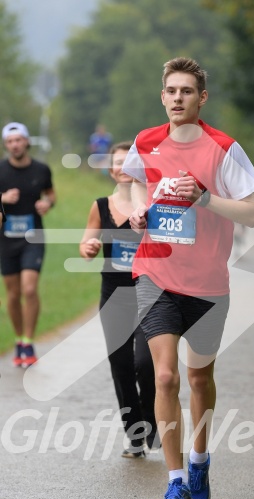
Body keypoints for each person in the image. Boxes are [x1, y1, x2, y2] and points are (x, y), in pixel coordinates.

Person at [124, 57, 254, 499]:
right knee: (164, 375)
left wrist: (203, 197)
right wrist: (138, 210)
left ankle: (200, 461)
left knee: (200, 377)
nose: (177, 98)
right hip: (155, 272)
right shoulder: (145, 142)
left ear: (202, 98)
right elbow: (131, 189)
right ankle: (176, 481)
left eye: (187, 91)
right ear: (162, 95)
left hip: (207, 282)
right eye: (171, 91)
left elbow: (251, 213)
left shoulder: (224, 148)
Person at [80, 141, 158, 457]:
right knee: (121, 364)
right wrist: (88, 248)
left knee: (146, 363)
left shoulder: (153, 204)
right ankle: (135, 434)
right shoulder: (100, 206)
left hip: (150, 291)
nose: (123, 168)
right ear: (110, 168)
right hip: (114, 294)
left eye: (130, 162)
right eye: (118, 162)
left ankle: (152, 420)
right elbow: (86, 241)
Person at [0, 122, 56, 367]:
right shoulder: (0, 170)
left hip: (33, 237)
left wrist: (48, 204)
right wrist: (3, 198)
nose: (15, 145)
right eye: (10, 141)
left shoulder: (41, 169)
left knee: (29, 289)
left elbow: (51, 194)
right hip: (6, 239)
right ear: (6, 145)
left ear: (27, 142)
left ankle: (29, 341)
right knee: (12, 294)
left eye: (19, 140)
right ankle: (19, 339)